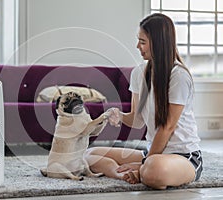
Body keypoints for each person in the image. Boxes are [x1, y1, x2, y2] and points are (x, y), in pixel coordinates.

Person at [84, 13, 203, 189]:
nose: (137, 46)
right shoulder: (139, 73)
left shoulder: (179, 76)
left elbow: (167, 127)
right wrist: (119, 115)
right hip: (152, 153)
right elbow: (137, 120)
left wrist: (144, 163)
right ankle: (122, 173)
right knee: (90, 155)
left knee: (154, 169)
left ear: (158, 43)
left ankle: (142, 170)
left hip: (183, 156)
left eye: (142, 42)